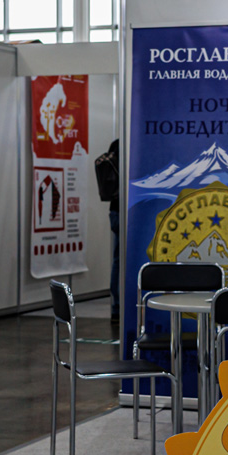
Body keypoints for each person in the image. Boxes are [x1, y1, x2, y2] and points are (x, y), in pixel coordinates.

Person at [94, 139, 121, 324]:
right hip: (126, 210)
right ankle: (124, 305)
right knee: (125, 259)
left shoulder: (117, 144)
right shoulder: (130, 142)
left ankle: (116, 307)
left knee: (118, 260)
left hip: (115, 210)